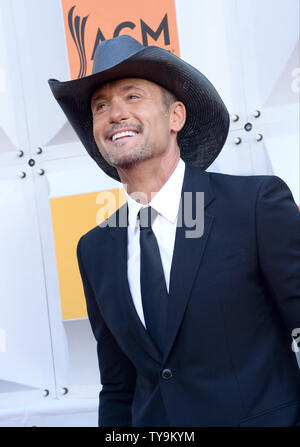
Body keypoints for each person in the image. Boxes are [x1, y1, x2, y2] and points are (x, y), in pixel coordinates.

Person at [49, 35, 300, 427]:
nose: (115, 114)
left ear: (176, 117)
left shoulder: (254, 206)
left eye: (133, 96)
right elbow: (118, 387)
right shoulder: (94, 249)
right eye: (101, 106)